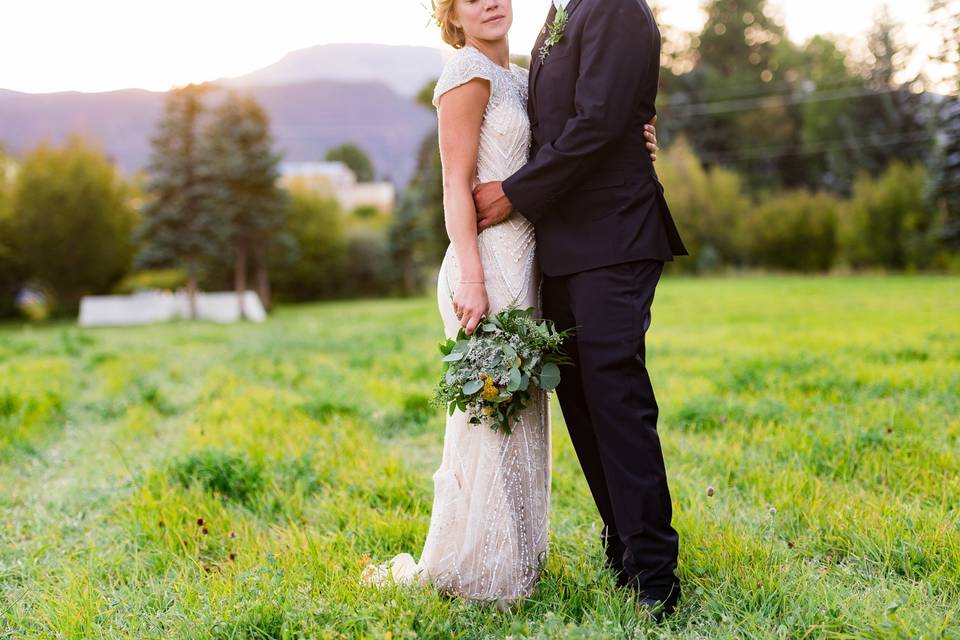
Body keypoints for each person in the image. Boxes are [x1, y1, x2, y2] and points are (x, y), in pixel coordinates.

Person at [362, 0, 674, 618]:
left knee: (604, 396)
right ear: (450, 13)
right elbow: (470, 175)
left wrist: (635, 127)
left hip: (585, 241)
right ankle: (555, 555)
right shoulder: (520, 41)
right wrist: (472, 275)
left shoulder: (590, 19)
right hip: (518, 259)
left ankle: (649, 572)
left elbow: (598, 116)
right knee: (553, 403)